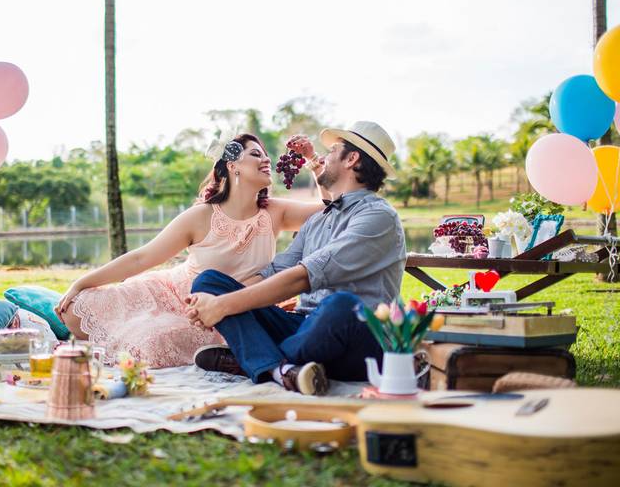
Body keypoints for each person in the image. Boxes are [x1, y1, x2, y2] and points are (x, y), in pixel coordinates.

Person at [54, 132, 328, 368]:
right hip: (171, 295)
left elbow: (328, 210)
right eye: (256, 154)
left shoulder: (275, 212)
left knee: (153, 345)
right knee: (77, 308)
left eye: (266, 155)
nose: (267, 160)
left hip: (229, 309)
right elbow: (142, 257)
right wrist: (81, 281)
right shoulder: (200, 216)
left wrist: (313, 161)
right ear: (232, 165)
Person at [185, 121, 406, 395]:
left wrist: (223, 307)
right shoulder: (318, 220)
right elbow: (276, 270)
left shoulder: (378, 216)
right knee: (209, 281)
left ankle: (255, 361)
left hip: (357, 336)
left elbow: (303, 277)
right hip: (302, 326)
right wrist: (217, 298)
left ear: (352, 159)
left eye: (333, 150)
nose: (323, 158)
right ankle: (282, 370)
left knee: (341, 305)